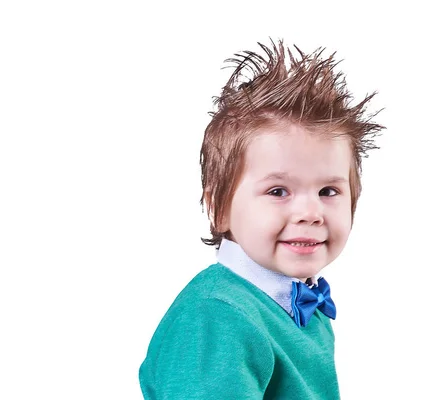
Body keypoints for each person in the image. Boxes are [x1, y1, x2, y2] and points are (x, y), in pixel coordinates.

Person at [139, 40, 384, 399]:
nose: (310, 213)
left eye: (329, 192)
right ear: (218, 207)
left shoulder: (295, 300)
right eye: (278, 191)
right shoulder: (217, 318)